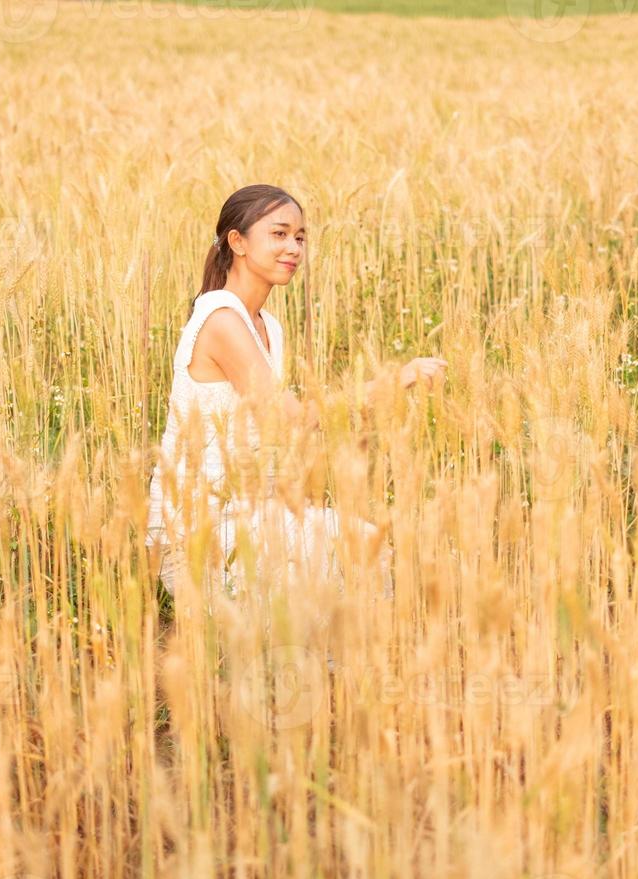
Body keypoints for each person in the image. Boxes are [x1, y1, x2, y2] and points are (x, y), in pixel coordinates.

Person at [145, 184, 446, 606]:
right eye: (279, 234)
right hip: (203, 534)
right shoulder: (221, 320)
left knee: (363, 546)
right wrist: (399, 379)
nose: (294, 248)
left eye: (300, 237)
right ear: (238, 242)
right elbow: (295, 419)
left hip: (256, 516)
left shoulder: (268, 324)